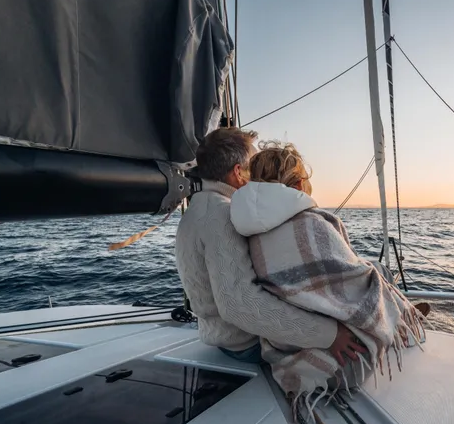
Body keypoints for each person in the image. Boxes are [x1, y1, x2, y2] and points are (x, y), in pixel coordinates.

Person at [230, 140, 425, 405]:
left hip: (284, 357)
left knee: (372, 272)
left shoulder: (246, 232)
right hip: (345, 365)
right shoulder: (313, 223)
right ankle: (402, 320)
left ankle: (401, 315)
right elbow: (351, 287)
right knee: (378, 274)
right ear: (298, 186)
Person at [175, 128, 365, 365]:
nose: (258, 177)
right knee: (359, 339)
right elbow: (238, 306)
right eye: (253, 168)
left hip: (219, 338)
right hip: (246, 346)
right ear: (239, 173)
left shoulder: (196, 211)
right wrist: (330, 335)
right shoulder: (223, 215)